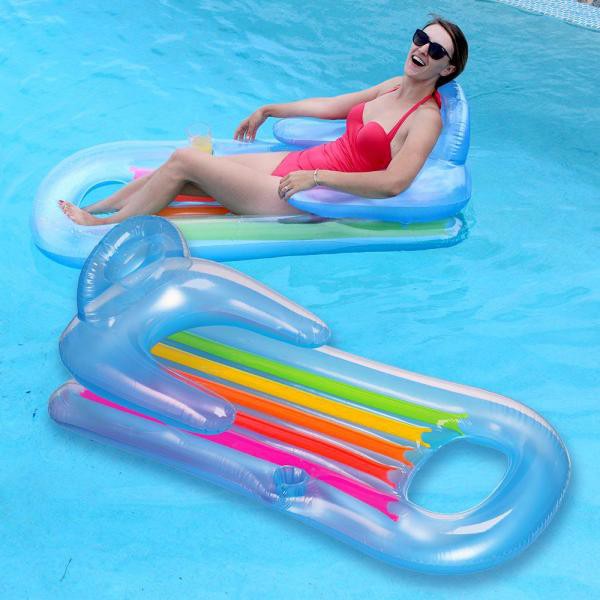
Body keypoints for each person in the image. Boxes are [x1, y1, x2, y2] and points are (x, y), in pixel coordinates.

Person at [59, 16, 468, 226]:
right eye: (421, 39)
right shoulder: (392, 85)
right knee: (186, 165)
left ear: (447, 69)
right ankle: (100, 205)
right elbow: (332, 105)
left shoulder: (425, 119)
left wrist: (317, 179)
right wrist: (271, 108)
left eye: (436, 51)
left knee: (187, 161)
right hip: (299, 165)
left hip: (303, 192)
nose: (422, 50)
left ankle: (103, 225)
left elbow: (394, 183)